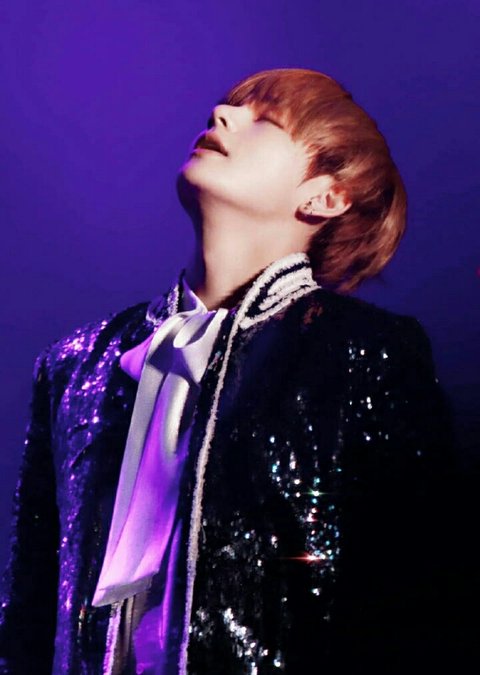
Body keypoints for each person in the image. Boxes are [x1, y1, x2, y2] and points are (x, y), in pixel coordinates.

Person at [0, 68, 458, 674]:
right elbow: (30, 609)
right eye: (227, 106)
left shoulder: (365, 350)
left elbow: (413, 599)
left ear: (325, 196)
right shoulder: (76, 361)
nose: (221, 115)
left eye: (266, 120)